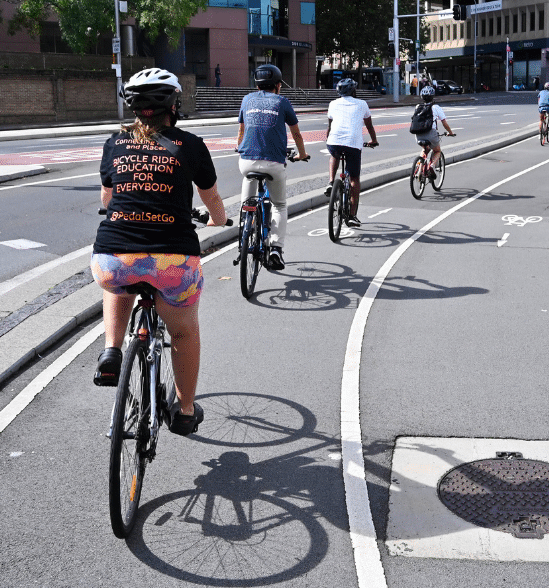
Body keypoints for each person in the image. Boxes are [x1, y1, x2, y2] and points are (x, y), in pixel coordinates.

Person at [90, 68, 228, 436]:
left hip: (112, 259)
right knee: (182, 332)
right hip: (174, 260)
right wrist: (218, 220)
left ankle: (111, 351)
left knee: (118, 283)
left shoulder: (114, 143)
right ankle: (184, 412)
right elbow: (211, 199)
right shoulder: (190, 145)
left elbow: (107, 197)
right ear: (174, 104)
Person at [236, 64, 310, 271]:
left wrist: (239, 146)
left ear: (256, 84)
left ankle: (246, 228)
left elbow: (241, 130)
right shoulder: (282, 102)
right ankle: (276, 249)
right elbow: (296, 134)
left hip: (247, 160)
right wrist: (302, 154)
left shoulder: (247, 100)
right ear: (278, 85)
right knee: (279, 205)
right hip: (274, 163)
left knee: (247, 197)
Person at [324, 78, 379, 226]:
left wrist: (328, 139)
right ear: (353, 90)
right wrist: (373, 140)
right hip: (353, 144)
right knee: (354, 178)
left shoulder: (332, 104)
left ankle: (330, 182)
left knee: (334, 154)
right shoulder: (362, 104)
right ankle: (351, 215)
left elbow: (330, 125)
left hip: (334, 141)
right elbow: (369, 126)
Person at [411, 86, 454, 188]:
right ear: (433, 97)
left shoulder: (417, 107)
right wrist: (450, 132)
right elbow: (444, 123)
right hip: (431, 134)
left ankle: (420, 171)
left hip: (418, 135)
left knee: (424, 149)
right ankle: (431, 166)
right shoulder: (436, 107)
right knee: (437, 151)